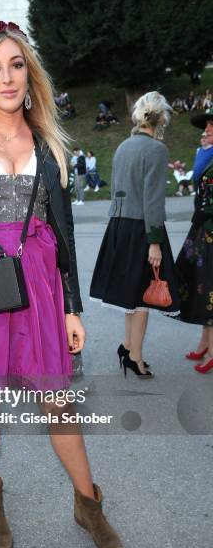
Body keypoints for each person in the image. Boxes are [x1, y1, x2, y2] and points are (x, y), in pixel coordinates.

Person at [0, 20, 124, 548]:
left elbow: (64, 239)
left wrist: (74, 307)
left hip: (40, 281)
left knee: (56, 400)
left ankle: (88, 504)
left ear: (29, 74)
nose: (6, 77)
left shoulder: (49, 144)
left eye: (16, 65)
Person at [90, 91, 181, 377]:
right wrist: (154, 242)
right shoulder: (156, 150)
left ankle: (128, 346)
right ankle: (135, 357)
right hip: (143, 227)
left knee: (131, 295)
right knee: (142, 298)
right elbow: (152, 200)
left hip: (119, 226)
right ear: (160, 118)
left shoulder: (123, 147)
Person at [175, 113, 213, 373]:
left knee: (210, 287)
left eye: (210, 128)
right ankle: (205, 343)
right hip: (203, 229)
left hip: (210, 228)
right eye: (206, 128)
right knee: (202, 285)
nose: (206, 131)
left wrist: (209, 211)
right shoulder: (205, 155)